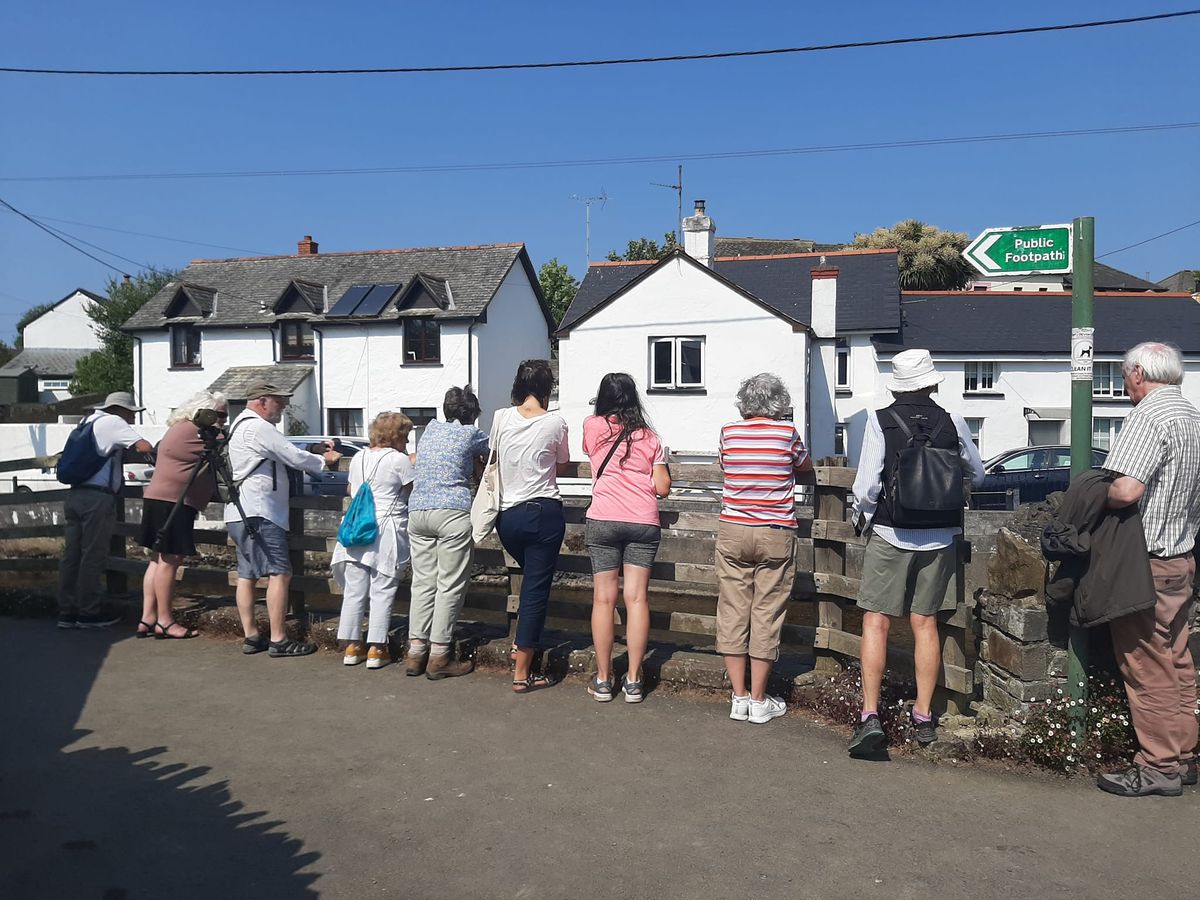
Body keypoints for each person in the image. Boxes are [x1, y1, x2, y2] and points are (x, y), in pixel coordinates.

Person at [849, 349, 985, 754]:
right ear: (933, 382)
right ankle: (924, 716)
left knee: (876, 621)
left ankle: (870, 715)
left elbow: (867, 487)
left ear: (898, 385)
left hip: (892, 530)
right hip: (941, 533)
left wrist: (863, 518)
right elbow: (976, 473)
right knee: (926, 623)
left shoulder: (880, 420)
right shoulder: (952, 421)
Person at [1097, 342, 1200, 798]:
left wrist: (1092, 496)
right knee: (1179, 659)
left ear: (1138, 372)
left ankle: (1158, 767)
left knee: (1147, 665)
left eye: (1125, 375)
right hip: (1182, 557)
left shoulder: (1149, 416)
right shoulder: (1192, 416)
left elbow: (1126, 489)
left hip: (1148, 561)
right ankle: (1184, 757)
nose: (1125, 384)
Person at [715, 373, 812, 724]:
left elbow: (725, 467)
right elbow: (805, 466)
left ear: (745, 402)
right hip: (774, 531)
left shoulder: (729, 433)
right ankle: (758, 700)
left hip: (733, 528)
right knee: (766, 612)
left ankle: (737, 697)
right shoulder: (787, 434)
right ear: (779, 403)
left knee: (733, 610)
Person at [225, 380, 341, 658]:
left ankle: (252, 636)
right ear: (262, 401)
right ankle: (279, 639)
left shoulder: (240, 425)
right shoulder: (259, 427)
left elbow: (280, 449)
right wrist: (325, 461)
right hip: (261, 511)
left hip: (239, 510)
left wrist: (311, 450)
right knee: (281, 572)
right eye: (279, 401)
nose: (285, 406)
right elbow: (290, 455)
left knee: (247, 574)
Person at [582, 373, 671, 703]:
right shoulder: (651, 438)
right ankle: (634, 680)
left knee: (603, 600)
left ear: (603, 398)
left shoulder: (592, 427)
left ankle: (604, 679)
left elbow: (589, 451)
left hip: (603, 519)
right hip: (642, 522)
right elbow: (662, 487)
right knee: (636, 600)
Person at [493, 359, 570, 693]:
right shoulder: (556, 423)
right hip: (543, 512)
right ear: (546, 388)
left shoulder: (500, 417)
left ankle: (520, 643)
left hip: (507, 517)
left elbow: (494, 456)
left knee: (528, 583)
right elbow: (562, 466)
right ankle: (522, 671)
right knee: (536, 589)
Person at [405, 387, 490, 679]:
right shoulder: (470, 434)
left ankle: (415, 652)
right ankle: (439, 656)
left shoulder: (428, 431)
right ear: (471, 415)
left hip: (417, 511)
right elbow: (494, 453)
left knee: (423, 583)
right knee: (450, 584)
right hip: (451, 511)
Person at [135, 390, 228, 639]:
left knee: (157, 559)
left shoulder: (179, 427)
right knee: (170, 560)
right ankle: (165, 620)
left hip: (159, 497)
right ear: (203, 412)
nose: (223, 420)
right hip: (175, 501)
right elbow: (227, 446)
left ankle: (148, 617)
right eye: (219, 415)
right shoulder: (195, 431)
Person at [58, 391, 154, 630]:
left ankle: (67, 610)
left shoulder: (87, 421)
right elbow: (144, 446)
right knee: (93, 554)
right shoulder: (113, 422)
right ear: (120, 410)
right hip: (96, 498)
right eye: (131, 413)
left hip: (75, 493)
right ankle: (88, 612)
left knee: (72, 555)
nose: (133, 418)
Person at [332, 412, 415, 670]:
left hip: (357, 529)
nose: (408, 442)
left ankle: (352, 645)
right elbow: (412, 489)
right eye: (406, 436)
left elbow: (350, 489)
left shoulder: (358, 457)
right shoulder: (399, 460)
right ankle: (377, 649)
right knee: (383, 590)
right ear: (397, 436)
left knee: (355, 591)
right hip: (386, 531)